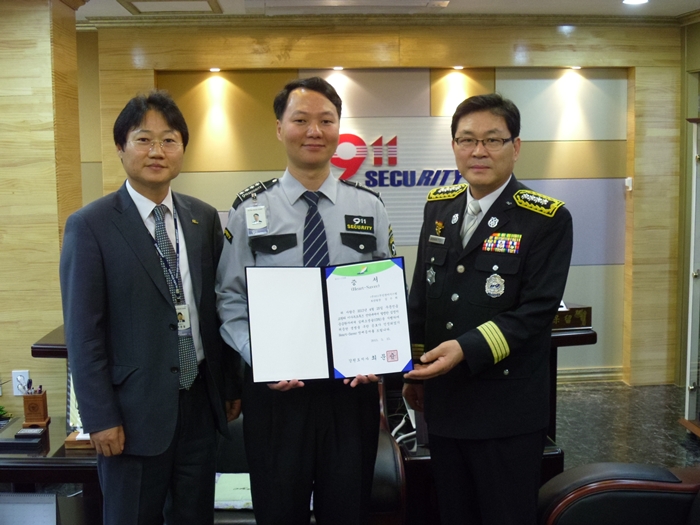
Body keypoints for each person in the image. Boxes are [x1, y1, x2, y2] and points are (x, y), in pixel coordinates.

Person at [216, 76, 396, 525]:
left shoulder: (369, 206)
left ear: (339, 129)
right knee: (279, 512)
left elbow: (387, 295)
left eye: (326, 120)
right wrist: (261, 357)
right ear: (280, 128)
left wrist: (377, 353)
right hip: (277, 396)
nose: (314, 131)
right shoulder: (249, 209)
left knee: (348, 511)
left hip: (349, 391)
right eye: (301, 120)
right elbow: (230, 299)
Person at [60, 90, 241, 525]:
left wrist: (229, 387)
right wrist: (99, 417)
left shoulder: (202, 218)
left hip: (199, 406)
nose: (157, 151)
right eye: (143, 139)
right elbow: (83, 334)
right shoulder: (90, 225)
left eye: (169, 140)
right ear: (121, 147)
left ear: (182, 149)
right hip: (130, 414)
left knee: (195, 517)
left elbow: (216, 309)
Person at [403, 93, 573, 525]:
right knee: (452, 513)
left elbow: (536, 311)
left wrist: (464, 349)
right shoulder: (439, 205)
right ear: (454, 146)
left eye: (492, 140)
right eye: (467, 139)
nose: (478, 151)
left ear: (515, 147)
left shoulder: (546, 218)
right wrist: (414, 367)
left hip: (506, 410)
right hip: (445, 402)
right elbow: (422, 295)